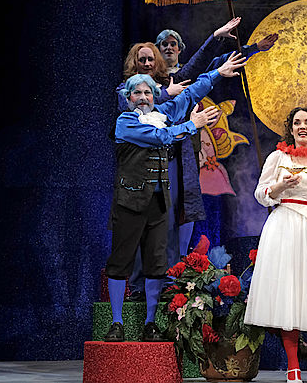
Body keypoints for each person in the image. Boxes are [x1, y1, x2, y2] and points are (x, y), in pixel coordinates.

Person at [118, 30, 279, 300]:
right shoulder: (127, 93)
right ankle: (136, 288)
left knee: (170, 224)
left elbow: (205, 69)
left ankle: (168, 283)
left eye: (150, 59)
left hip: (171, 164)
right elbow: (141, 112)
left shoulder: (172, 84)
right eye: (141, 60)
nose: (146, 63)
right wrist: (168, 96)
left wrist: (240, 46)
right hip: (139, 172)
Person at [103, 52, 247, 342]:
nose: (143, 98)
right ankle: (117, 322)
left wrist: (218, 73)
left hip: (158, 204)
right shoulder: (125, 122)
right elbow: (160, 137)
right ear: (128, 98)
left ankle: (150, 323)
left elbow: (190, 93)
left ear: (155, 96)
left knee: (157, 264)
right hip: (130, 203)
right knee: (121, 261)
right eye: (137, 93)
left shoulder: (162, 114)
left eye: (147, 93)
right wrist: (193, 124)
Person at [244, 107, 307, 383]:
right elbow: (261, 194)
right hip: (284, 225)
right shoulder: (278, 157)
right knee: (288, 294)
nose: (302, 126)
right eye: (297, 122)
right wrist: (281, 186)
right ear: (291, 129)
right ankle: (293, 365)